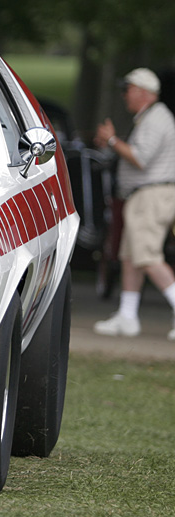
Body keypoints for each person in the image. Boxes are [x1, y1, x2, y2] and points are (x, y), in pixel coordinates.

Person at [93, 68, 175, 341]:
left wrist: (113, 141)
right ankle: (127, 317)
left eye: (127, 89)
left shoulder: (156, 119)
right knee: (131, 258)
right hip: (143, 196)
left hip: (151, 196)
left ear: (142, 92)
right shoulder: (150, 118)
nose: (124, 95)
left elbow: (141, 159)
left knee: (148, 256)